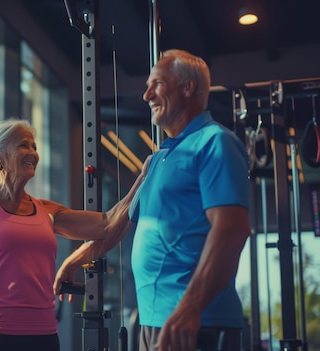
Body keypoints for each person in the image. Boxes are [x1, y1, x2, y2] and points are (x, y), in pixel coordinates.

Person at [54, 49, 252, 351]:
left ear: (188, 87)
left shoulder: (215, 142)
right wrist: (74, 259)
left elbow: (232, 230)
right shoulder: (158, 159)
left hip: (197, 323)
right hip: (155, 321)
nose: (146, 95)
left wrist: (189, 310)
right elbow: (117, 227)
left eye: (157, 83)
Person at [0, 118, 148, 351]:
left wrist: (144, 177)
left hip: (42, 335)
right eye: (24, 145)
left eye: (34, 146)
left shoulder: (46, 210)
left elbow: (107, 224)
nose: (33, 152)